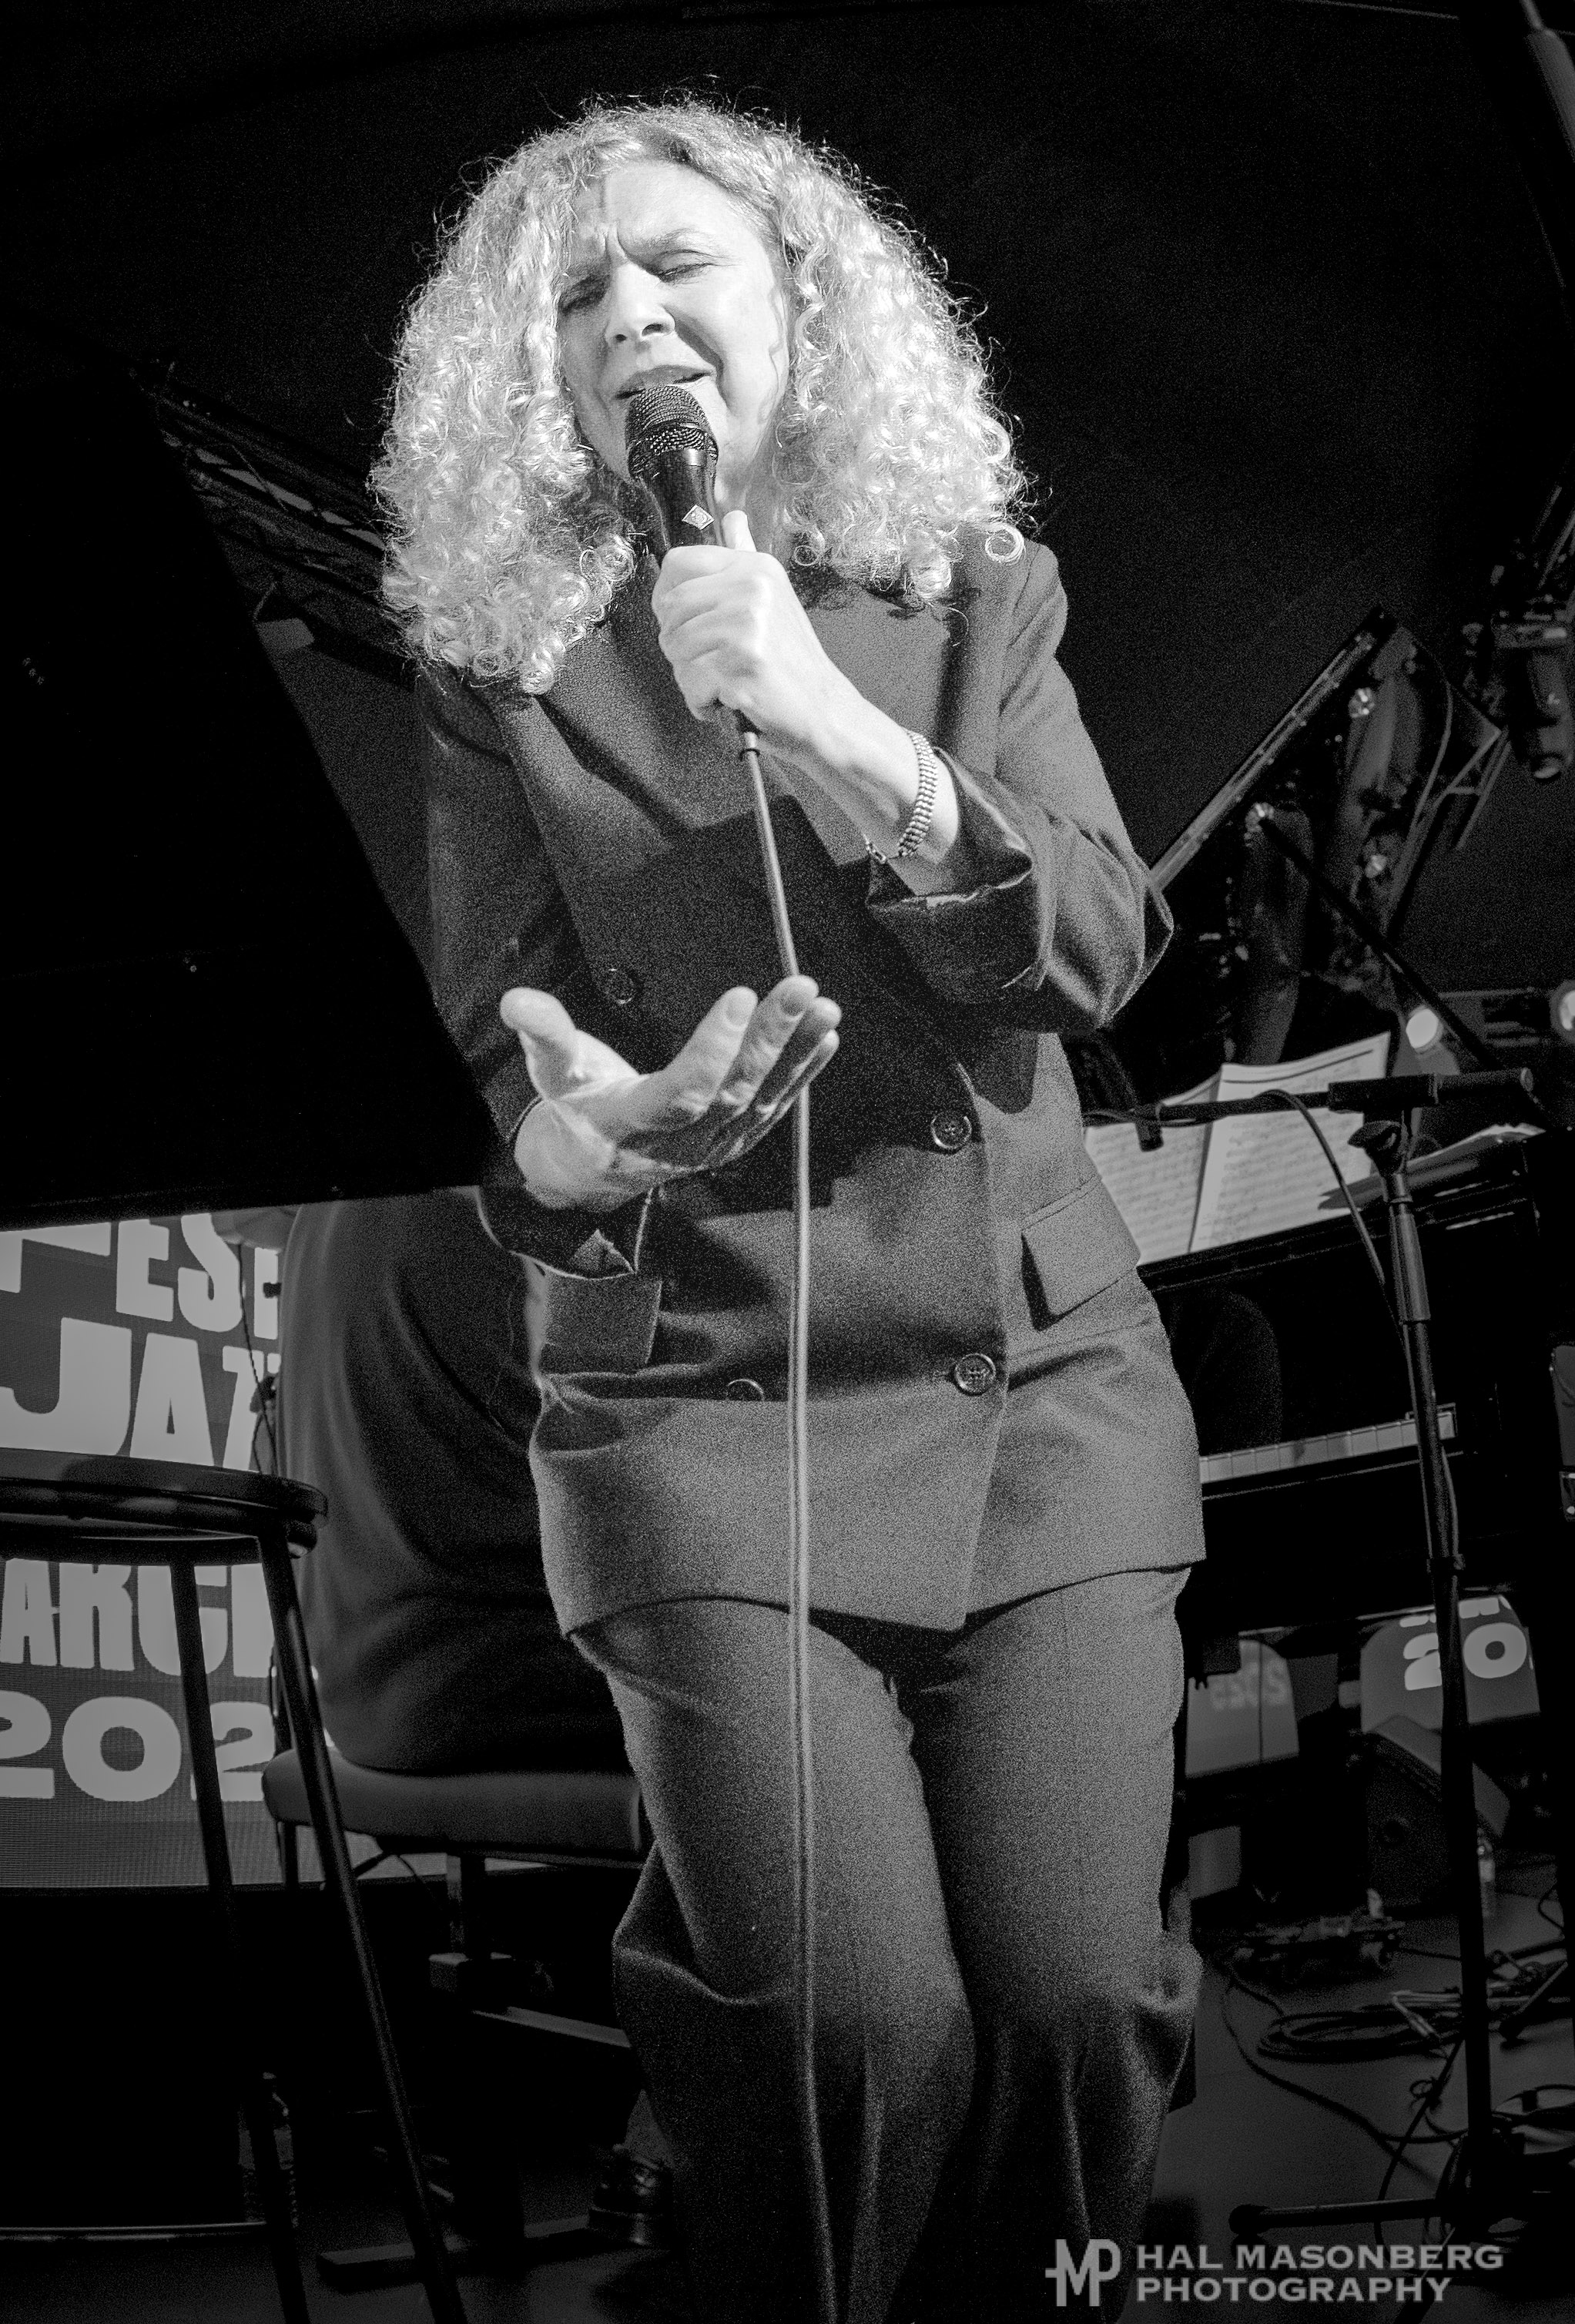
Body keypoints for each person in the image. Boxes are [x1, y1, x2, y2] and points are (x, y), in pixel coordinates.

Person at [375, 99, 1205, 2323]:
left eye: (681, 266)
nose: (632, 319)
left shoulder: (974, 589)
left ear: (799, 306)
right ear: (536, 379)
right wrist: (585, 1146)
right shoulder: (502, 669)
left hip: (1035, 1396)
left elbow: (1096, 949)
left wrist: (836, 723)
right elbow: (498, 1081)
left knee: (1073, 2006)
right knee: (849, 2035)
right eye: (577, 297)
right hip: (707, 1417)